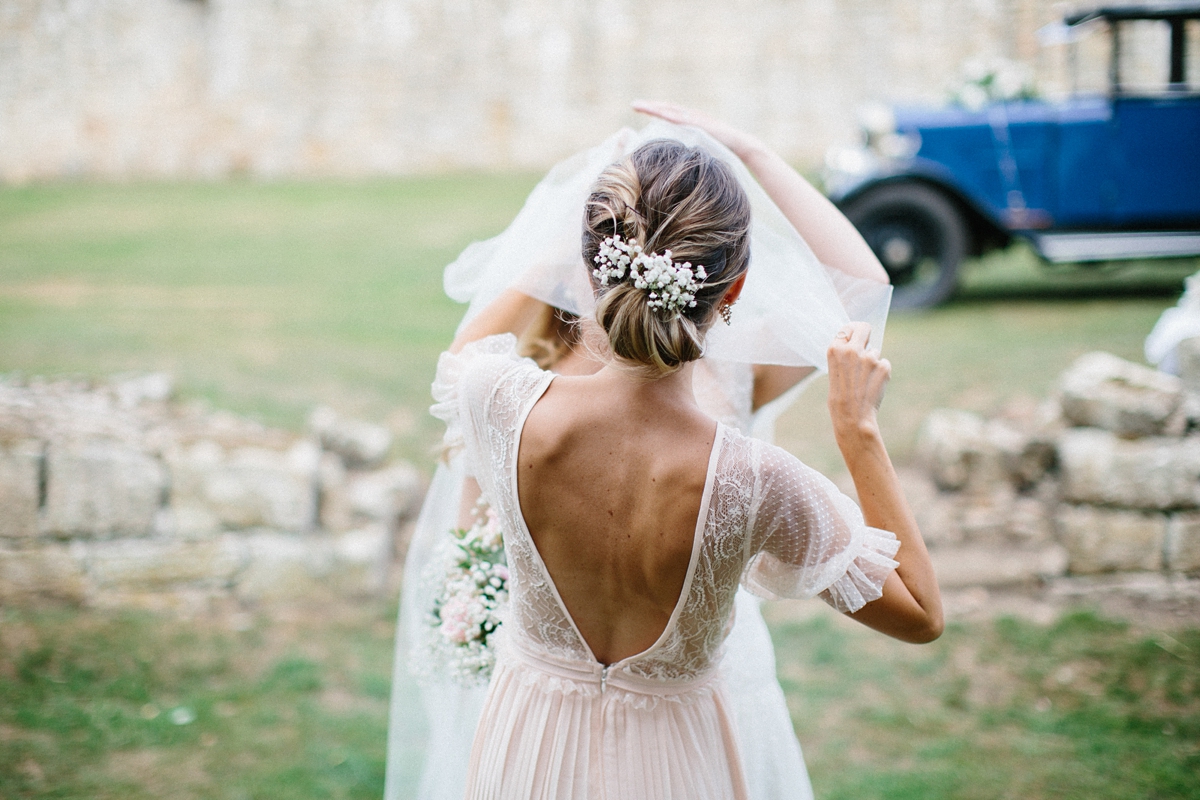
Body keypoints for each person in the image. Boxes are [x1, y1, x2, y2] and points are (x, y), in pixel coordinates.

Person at [384, 105, 916, 799]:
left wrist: (748, 153)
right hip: (599, 694)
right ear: (732, 286)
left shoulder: (500, 393)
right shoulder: (534, 374)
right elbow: (918, 614)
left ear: (592, 257)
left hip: (696, 682)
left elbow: (858, 293)